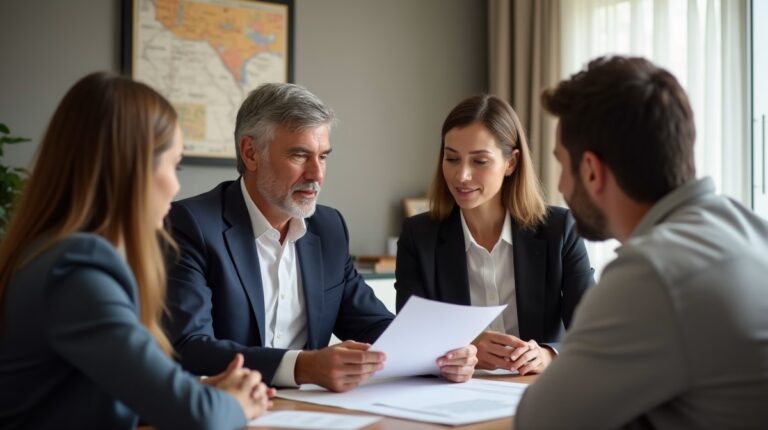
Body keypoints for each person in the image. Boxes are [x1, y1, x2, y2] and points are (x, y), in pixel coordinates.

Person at [164, 82, 478, 393]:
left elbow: (371, 324)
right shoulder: (191, 225)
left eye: (323, 156)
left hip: (313, 412)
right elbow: (191, 347)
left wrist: (440, 354)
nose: (316, 174)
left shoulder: (328, 228)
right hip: (228, 410)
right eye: (300, 155)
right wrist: (304, 367)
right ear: (250, 153)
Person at [0, 73, 272, 429]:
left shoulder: (47, 253)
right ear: (133, 168)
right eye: (175, 165)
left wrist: (205, 392)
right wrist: (232, 403)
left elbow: (101, 392)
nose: (176, 186)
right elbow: (199, 419)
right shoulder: (76, 269)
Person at [515, 56, 768, 428]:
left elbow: (539, 422)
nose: (560, 187)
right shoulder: (748, 230)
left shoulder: (654, 272)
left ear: (591, 171)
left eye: (561, 166)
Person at [395, 95, 594, 376]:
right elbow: (410, 336)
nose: (461, 175)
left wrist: (549, 354)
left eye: (479, 161)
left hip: (537, 388)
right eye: (452, 158)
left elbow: (591, 330)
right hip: (454, 394)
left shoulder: (559, 229)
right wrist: (465, 346)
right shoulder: (418, 236)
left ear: (511, 163)